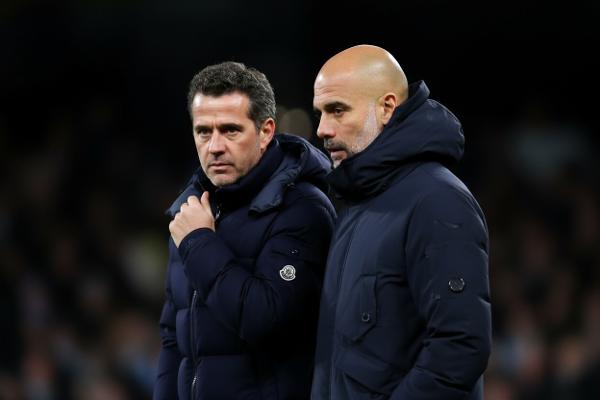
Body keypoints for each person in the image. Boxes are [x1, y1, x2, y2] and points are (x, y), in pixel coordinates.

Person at [311, 45, 491, 400]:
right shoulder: (357, 202)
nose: (322, 129)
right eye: (320, 113)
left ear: (387, 108)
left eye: (337, 110)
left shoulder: (437, 200)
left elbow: (460, 348)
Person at [153, 61, 336, 400]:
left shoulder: (303, 209)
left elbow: (264, 319)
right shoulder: (191, 211)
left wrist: (198, 242)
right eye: (203, 132)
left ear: (265, 131)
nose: (214, 146)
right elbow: (173, 338)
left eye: (230, 130)